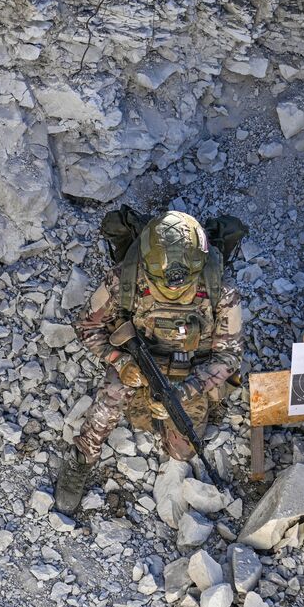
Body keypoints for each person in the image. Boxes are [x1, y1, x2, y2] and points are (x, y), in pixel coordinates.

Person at [55, 208, 245, 514]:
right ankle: (83, 456)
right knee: (111, 398)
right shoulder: (124, 279)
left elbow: (229, 356)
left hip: (191, 370)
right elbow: (87, 326)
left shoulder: (220, 292)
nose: (173, 290)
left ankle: (164, 410)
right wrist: (120, 361)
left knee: (182, 451)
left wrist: (184, 392)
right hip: (137, 361)